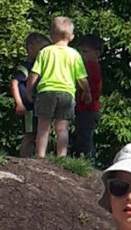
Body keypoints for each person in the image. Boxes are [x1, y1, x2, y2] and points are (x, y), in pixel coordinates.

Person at [27, 16, 92, 159]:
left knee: (43, 127)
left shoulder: (45, 52)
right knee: (62, 128)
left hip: (46, 92)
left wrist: (29, 90)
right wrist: (87, 92)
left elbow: (34, 73)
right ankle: (61, 157)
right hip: (67, 94)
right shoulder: (75, 55)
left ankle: (40, 156)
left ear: (51, 36)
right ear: (72, 37)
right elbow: (82, 78)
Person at [10, 32, 50, 158]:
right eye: (42, 49)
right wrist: (19, 103)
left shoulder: (37, 67)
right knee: (29, 134)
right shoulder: (26, 67)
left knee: (36, 132)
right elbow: (14, 83)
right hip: (28, 106)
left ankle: (30, 157)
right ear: (31, 47)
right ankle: (24, 158)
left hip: (35, 106)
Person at [72, 34, 104, 163]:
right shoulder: (88, 65)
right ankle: (82, 158)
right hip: (84, 107)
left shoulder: (91, 66)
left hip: (87, 108)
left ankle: (87, 160)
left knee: (85, 136)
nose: (81, 54)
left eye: (84, 51)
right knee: (82, 134)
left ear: (96, 53)